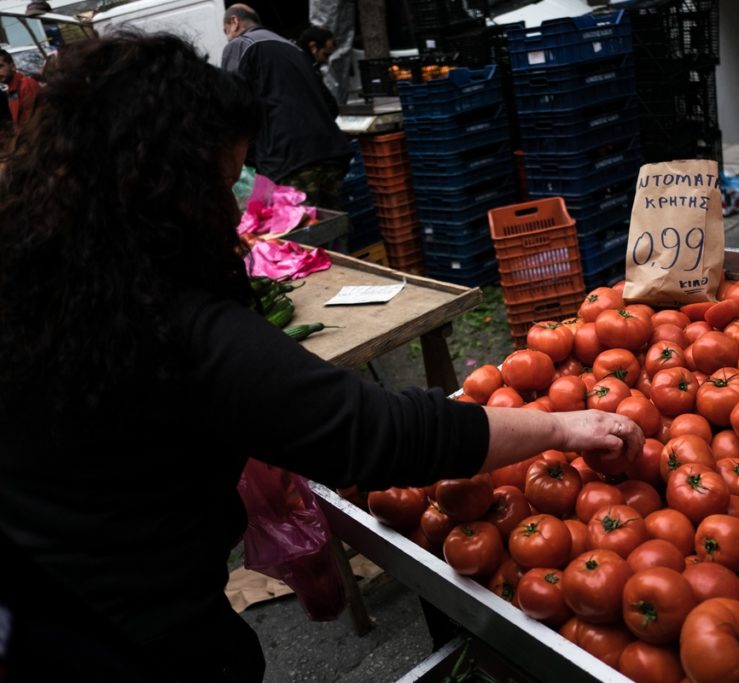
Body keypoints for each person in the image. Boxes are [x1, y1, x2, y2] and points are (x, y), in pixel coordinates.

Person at [0, 31, 643, 682]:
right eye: (220, 186)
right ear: (166, 187)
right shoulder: (175, 327)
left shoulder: (34, 275)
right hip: (130, 638)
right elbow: (378, 432)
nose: (229, 213)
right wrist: (563, 426)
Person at [221, 4, 352, 220]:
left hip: (290, 160)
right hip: (330, 154)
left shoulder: (240, 45)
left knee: (306, 237)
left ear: (234, 22)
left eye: (226, 31)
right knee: (335, 230)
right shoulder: (293, 48)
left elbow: (234, 105)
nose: (227, 38)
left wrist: (250, 157)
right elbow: (330, 105)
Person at [296, 24, 340, 118]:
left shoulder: (308, 66)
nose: (326, 61)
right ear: (313, 47)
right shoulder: (305, 69)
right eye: (325, 55)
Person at [0, 50, 40, 130]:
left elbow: (30, 122)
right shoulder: (9, 88)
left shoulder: (26, 85)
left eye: (0, 66)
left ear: (13, 66)